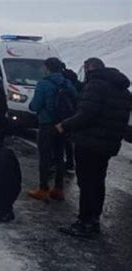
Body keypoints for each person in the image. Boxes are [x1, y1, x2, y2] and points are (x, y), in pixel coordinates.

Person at [56, 58, 131, 238]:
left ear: (89, 68)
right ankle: (93, 220)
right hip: (108, 144)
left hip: (89, 142)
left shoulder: (96, 86)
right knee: (98, 181)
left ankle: (84, 222)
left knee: (86, 182)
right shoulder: (122, 89)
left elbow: (86, 114)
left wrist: (65, 125)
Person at [27, 57, 78, 202]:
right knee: (59, 156)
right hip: (63, 125)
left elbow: (35, 105)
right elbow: (76, 100)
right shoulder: (67, 82)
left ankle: (43, 189)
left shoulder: (43, 84)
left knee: (45, 157)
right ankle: (58, 189)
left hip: (47, 124)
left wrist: (33, 107)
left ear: (47, 68)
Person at [61, 63, 82, 171]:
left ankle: (63, 162)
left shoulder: (63, 82)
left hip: (65, 115)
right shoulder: (76, 82)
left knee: (62, 140)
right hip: (74, 114)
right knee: (69, 140)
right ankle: (70, 161)